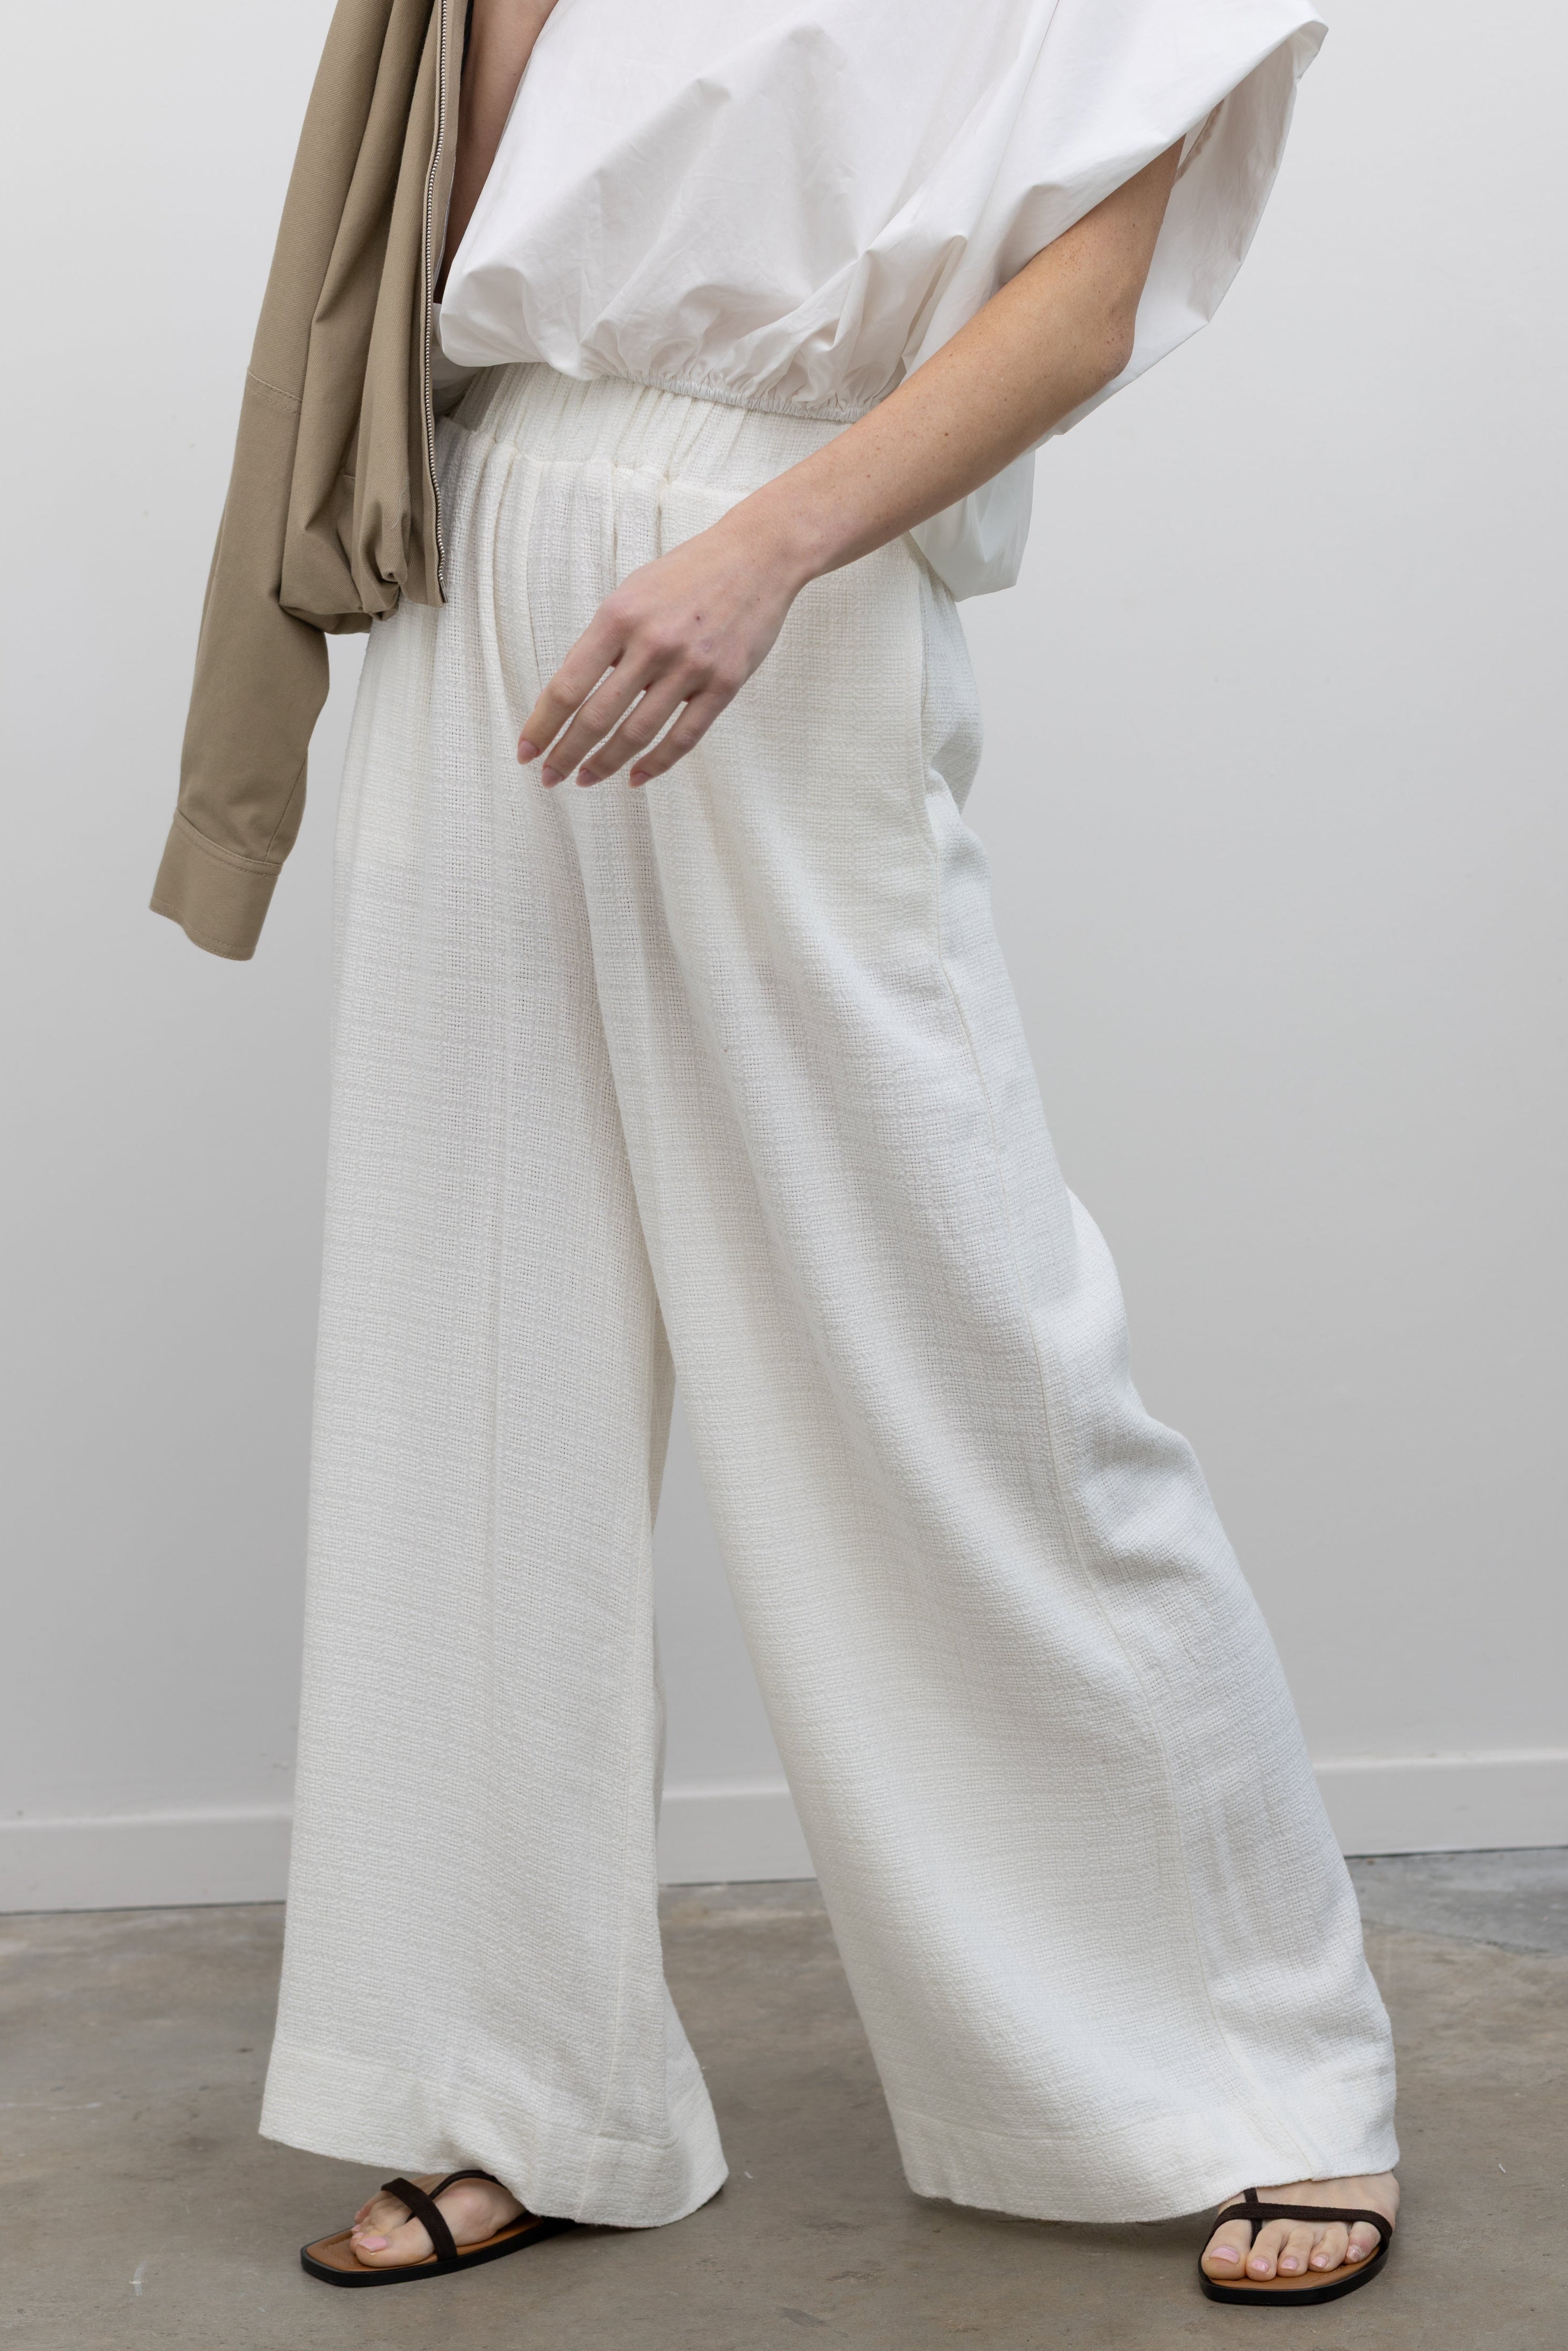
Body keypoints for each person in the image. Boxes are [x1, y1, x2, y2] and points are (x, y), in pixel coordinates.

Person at [153, 0, 1400, 2309]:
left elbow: (1086, 294)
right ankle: (512, 2078)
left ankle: (1253, 2071)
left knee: (946, 1334)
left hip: (780, 560)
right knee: (475, 1355)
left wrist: (773, 544)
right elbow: (481, 195)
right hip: (488, 539)